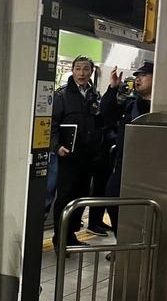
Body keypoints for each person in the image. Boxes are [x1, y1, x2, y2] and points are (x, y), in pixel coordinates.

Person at [51, 55, 107, 248]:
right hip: (69, 156)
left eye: (86, 69)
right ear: (72, 71)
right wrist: (57, 146)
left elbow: (100, 122)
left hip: (88, 156)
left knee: (80, 197)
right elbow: (51, 125)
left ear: (91, 72)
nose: (82, 73)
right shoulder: (62, 96)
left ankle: (71, 234)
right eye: (78, 69)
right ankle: (59, 238)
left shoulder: (94, 95)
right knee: (65, 196)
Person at [100, 61, 154, 234]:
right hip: (124, 164)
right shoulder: (130, 104)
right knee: (112, 198)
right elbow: (106, 113)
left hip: (150, 168)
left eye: (143, 76)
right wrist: (113, 88)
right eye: (137, 76)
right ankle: (121, 241)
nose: (138, 79)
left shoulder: (163, 107)